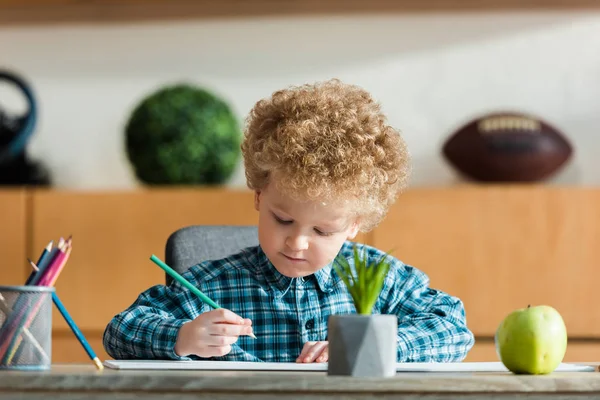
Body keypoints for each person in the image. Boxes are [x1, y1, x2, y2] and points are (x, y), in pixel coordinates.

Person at [103, 79, 475, 363]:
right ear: (259, 195)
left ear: (353, 225)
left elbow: (453, 329)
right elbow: (120, 331)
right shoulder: (212, 285)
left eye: (322, 230)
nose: (297, 242)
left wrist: (367, 346)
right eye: (282, 219)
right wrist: (182, 337)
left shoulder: (380, 282)